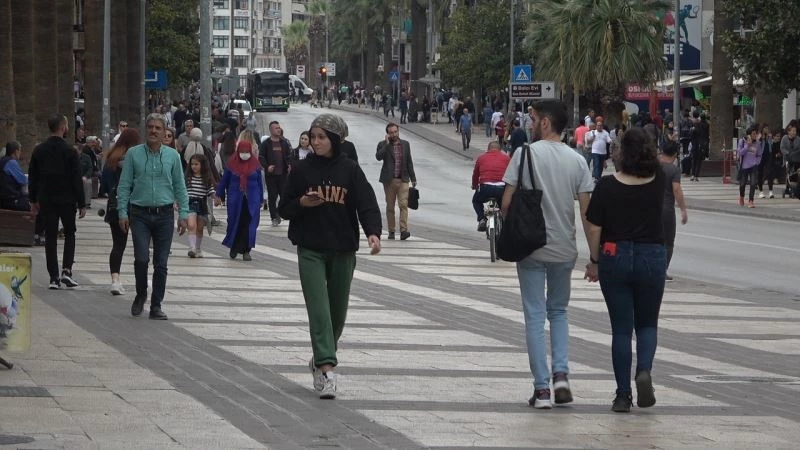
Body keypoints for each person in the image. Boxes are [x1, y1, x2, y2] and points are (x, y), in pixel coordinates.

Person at [278, 113, 382, 399]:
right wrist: (302, 202)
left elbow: (367, 202)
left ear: (334, 139)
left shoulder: (349, 170)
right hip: (310, 248)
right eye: (313, 137)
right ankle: (326, 369)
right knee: (319, 310)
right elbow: (283, 206)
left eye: (322, 137)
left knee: (337, 313)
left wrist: (373, 232)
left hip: (343, 248)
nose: (316, 142)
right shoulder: (300, 170)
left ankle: (320, 357)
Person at [501, 100, 594, 409]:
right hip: (564, 249)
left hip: (530, 247)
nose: (529, 123)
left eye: (533, 118)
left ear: (544, 123)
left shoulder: (523, 154)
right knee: (559, 311)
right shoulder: (577, 160)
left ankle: (541, 389)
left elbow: (506, 203)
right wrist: (594, 257)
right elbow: (586, 212)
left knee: (534, 314)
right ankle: (562, 375)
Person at [584, 127, 667, 413]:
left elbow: (594, 227)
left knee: (621, 329)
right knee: (647, 323)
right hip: (652, 255)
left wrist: (594, 261)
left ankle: (622, 395)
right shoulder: (660, 181)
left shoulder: (606, 186)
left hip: (615, 255)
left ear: (622, 152)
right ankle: (644, 370)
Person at [116, 113, 189, 320]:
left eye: (158, 128)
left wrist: (183, 213)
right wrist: (122, 212)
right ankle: (141, 294)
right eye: (150, 127)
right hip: (139, 213)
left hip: (165, 214)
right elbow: (124, 185)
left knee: (161, 262)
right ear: (145, 129)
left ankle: (156, 304)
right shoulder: (133, 154)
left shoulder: (172, 156)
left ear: (165, 131)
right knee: (141, 258)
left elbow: (180, 187)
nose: (154, 131)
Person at [29, 115, 87, 290]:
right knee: (70, 233)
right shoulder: (70, 151)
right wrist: (82, 203)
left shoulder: (39, 150)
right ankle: (66, 271)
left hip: (47, 199)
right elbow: (76, 178)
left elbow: (33, 176)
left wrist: (33, 199)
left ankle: (53, 277)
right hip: (67, 199)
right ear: (63, 128)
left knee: (51, 236)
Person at [101, 128, 141, 295]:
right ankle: (142, 281)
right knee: (141, 246)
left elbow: (103, 186)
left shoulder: (111, 160)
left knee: (118, 245)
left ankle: (115, 280)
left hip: (114, 206)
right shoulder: (137, 160)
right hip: (137, 205)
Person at [215, 140, 264, 261]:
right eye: (242, 151)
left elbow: (260, 183)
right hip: (235, 199)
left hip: (252, 199)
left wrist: (262, 199)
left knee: (250, 224)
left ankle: (246, 250)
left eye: (247, 152)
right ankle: (233, 247)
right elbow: (224, 181)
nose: (244, 154)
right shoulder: (231, 164)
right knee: (234, 222)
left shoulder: (255, 164)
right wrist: (218, 195)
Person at [376, 123, 417, 240]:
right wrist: (387, 145)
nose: (394, 134)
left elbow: (409, 161)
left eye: (395, 132)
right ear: (387, 134)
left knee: (403, 205)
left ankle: (403, 230)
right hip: (389, 181)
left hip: (403, 179)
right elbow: (378, 157)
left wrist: (413, 178)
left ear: (398, 131)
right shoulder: (382, 144)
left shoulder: (405, 144)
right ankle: (391, 230)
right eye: (391, 132)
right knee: (390, 207)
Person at [658, 142, 688, 281]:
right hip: (666, 210)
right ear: (675, 154)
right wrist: (683, 210)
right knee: (668, 241)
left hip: (650, 207)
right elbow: (676, 189)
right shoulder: (674, 170)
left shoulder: (653, 166)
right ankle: (662, 270)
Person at [259, 121, 292, 226]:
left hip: (282, 174)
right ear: (271, 130)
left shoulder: (284, 142)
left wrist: (289, 165)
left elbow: (288, 156)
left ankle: (279, 211)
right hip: (271, 176)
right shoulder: (266, 143)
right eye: (276, 128)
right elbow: (261, 157)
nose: (279, 129)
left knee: (284, 196)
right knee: (272, 197)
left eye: (279, 127)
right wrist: (267, 166)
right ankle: (274, 217)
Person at [471, 142, 510, 231]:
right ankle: (506, 224)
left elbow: (475, 174)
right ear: (500, 149)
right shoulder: (506, 158)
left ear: (488, 149)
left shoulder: (481, 158)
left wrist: (474, 185)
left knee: (476, 201)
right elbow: (512, 174)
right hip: (501, 188)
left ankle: (481, 219)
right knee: (505, 205)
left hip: (485, 187)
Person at [185, 154, 216, 258]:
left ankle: (198, 248)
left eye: (196, 164)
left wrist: (215, 197)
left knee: (199, 228)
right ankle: (192, 248)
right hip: (190, 203)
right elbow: (183, 190)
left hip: (202, 205)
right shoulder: (187, 177)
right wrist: (178, 202)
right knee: (191, 225)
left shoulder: (206, 178)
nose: (193, 166)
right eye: (192, 164)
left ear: (202, 165)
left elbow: (210, 191)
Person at [737, 125, 763, 208]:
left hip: (753, 166)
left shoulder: (758, 143)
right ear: (749, 135)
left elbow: (759, 154)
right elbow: (740, 153)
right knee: (742, 184)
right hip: (744, 166)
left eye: (756, 134)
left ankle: (751, 201)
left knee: (753, 183)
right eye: (753, 134)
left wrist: (757, 162)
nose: (755, 136)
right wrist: (747, 145)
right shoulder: (742, 141)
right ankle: (741, 197)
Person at [0, 141, 30, 211]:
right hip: (11, 199)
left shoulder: (2, 161)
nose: (20, 153)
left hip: (3, 199)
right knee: (35, 203)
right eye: (20, 151)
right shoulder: (11, 163)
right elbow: (23, 180)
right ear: (16, 151)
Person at [585, 116, 612, 180]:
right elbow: (588, 140)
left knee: (600, 166)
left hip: (603, 152)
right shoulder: (593, 132)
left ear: (602, 126)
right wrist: (592, 137)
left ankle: (598, 177)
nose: (599, 127)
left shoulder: (605, 133)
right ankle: (597, 178)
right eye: (598, 125)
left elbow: (608, 140)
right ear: (596, 126)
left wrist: (611, 141)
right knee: (596, 164)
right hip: (595, 151)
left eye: (600, 125)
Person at [689, 112, 709, 181]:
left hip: (695, 145)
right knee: (699, 161)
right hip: (702, 145)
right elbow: (707, 136)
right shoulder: (707, 125)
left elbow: (691, 135)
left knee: (694, 160)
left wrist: (692, 130)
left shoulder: (696, 125)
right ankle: (696, 176)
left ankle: (692, 175)